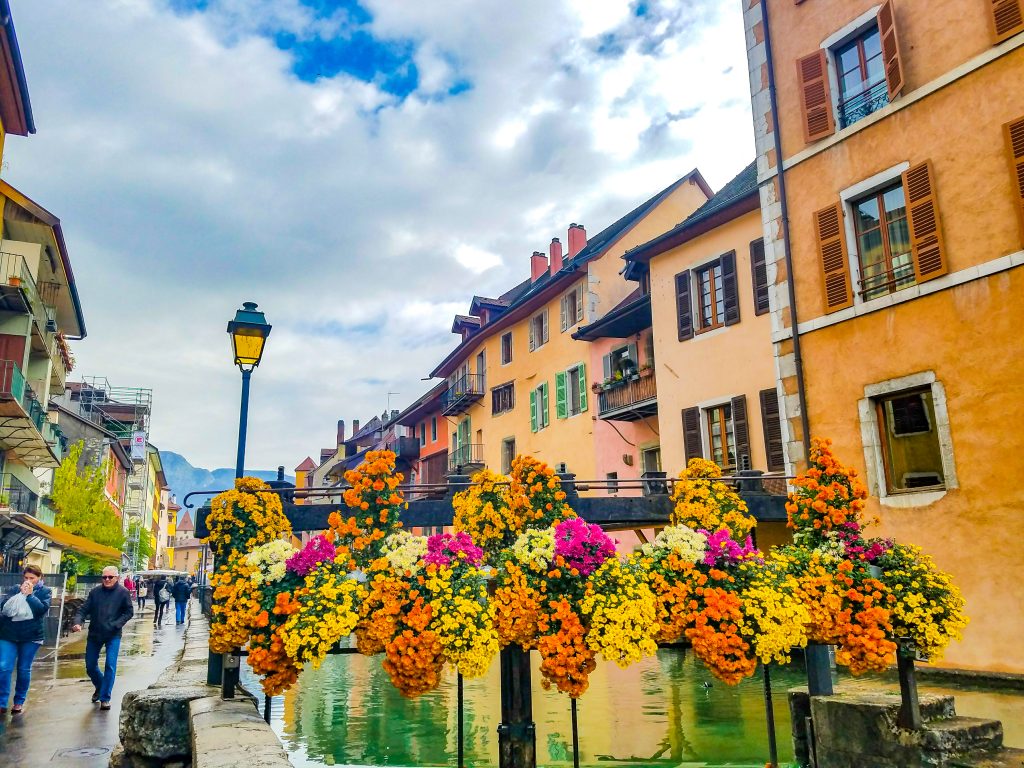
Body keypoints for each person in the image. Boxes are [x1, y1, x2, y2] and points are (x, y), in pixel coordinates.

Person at [72, 566, 134, 710]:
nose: (107, 579)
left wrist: (116, 624)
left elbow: (129, 612)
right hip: (95, 633)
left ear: (117, 578)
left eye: (110, 577)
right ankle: (100, 686)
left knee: (110, 665)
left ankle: (105, 697)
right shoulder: (95, 592)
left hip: (113, 634)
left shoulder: (123, 593)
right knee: (90, 666)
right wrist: (77, 622)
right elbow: (83, 609)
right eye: (104, 577)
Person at [0, 565, 52, 715]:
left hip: (31, 636)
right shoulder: (16, 588)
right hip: (9, 633)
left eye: (32, 578)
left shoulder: (45, 591)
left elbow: (41, 610)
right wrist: (19, 594)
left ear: (39, 578)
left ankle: (19, 701)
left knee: (23, 668)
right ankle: (2, 702)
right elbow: (4, 606)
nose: (28, 581)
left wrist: (30, 596)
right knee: (4, 667)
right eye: (26, 578)